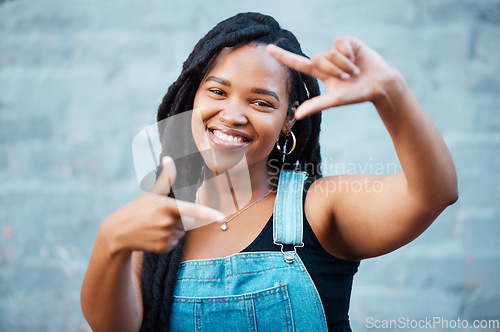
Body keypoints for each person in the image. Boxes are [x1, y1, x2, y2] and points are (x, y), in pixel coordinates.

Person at [80, 12, 458, 332]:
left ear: (288, 119)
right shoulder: (157, 221)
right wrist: (111, 240)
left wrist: (391, 93)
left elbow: (432, 195)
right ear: (192, 97)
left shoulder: (319, 208)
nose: (233, 114)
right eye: (217, 91)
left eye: (261, 102)